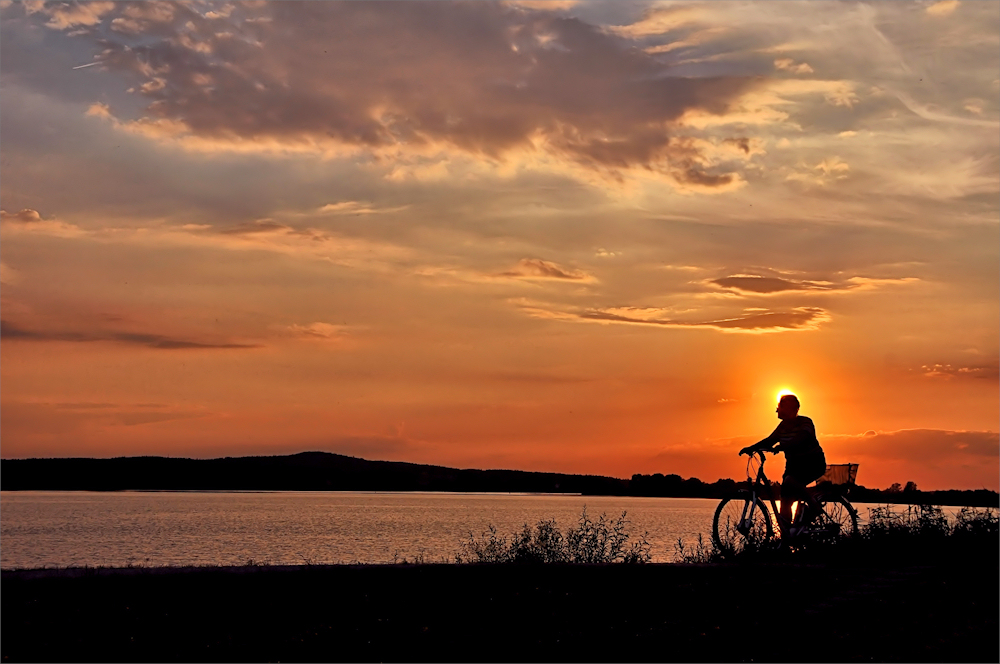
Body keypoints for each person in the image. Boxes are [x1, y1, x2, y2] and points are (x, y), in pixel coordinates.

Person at [740, 394, 826, 538]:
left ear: (793, 409)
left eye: (781, 406)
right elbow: (770, 440)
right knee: (785, 499)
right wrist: (751, 448)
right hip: (794, 465)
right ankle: (787, 536)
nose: (777, 409)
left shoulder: (805, 422)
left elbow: (803, 438)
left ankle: (813, 504)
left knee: (789, 481)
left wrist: (784, 445)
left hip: (812, 463)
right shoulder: (783, 426)